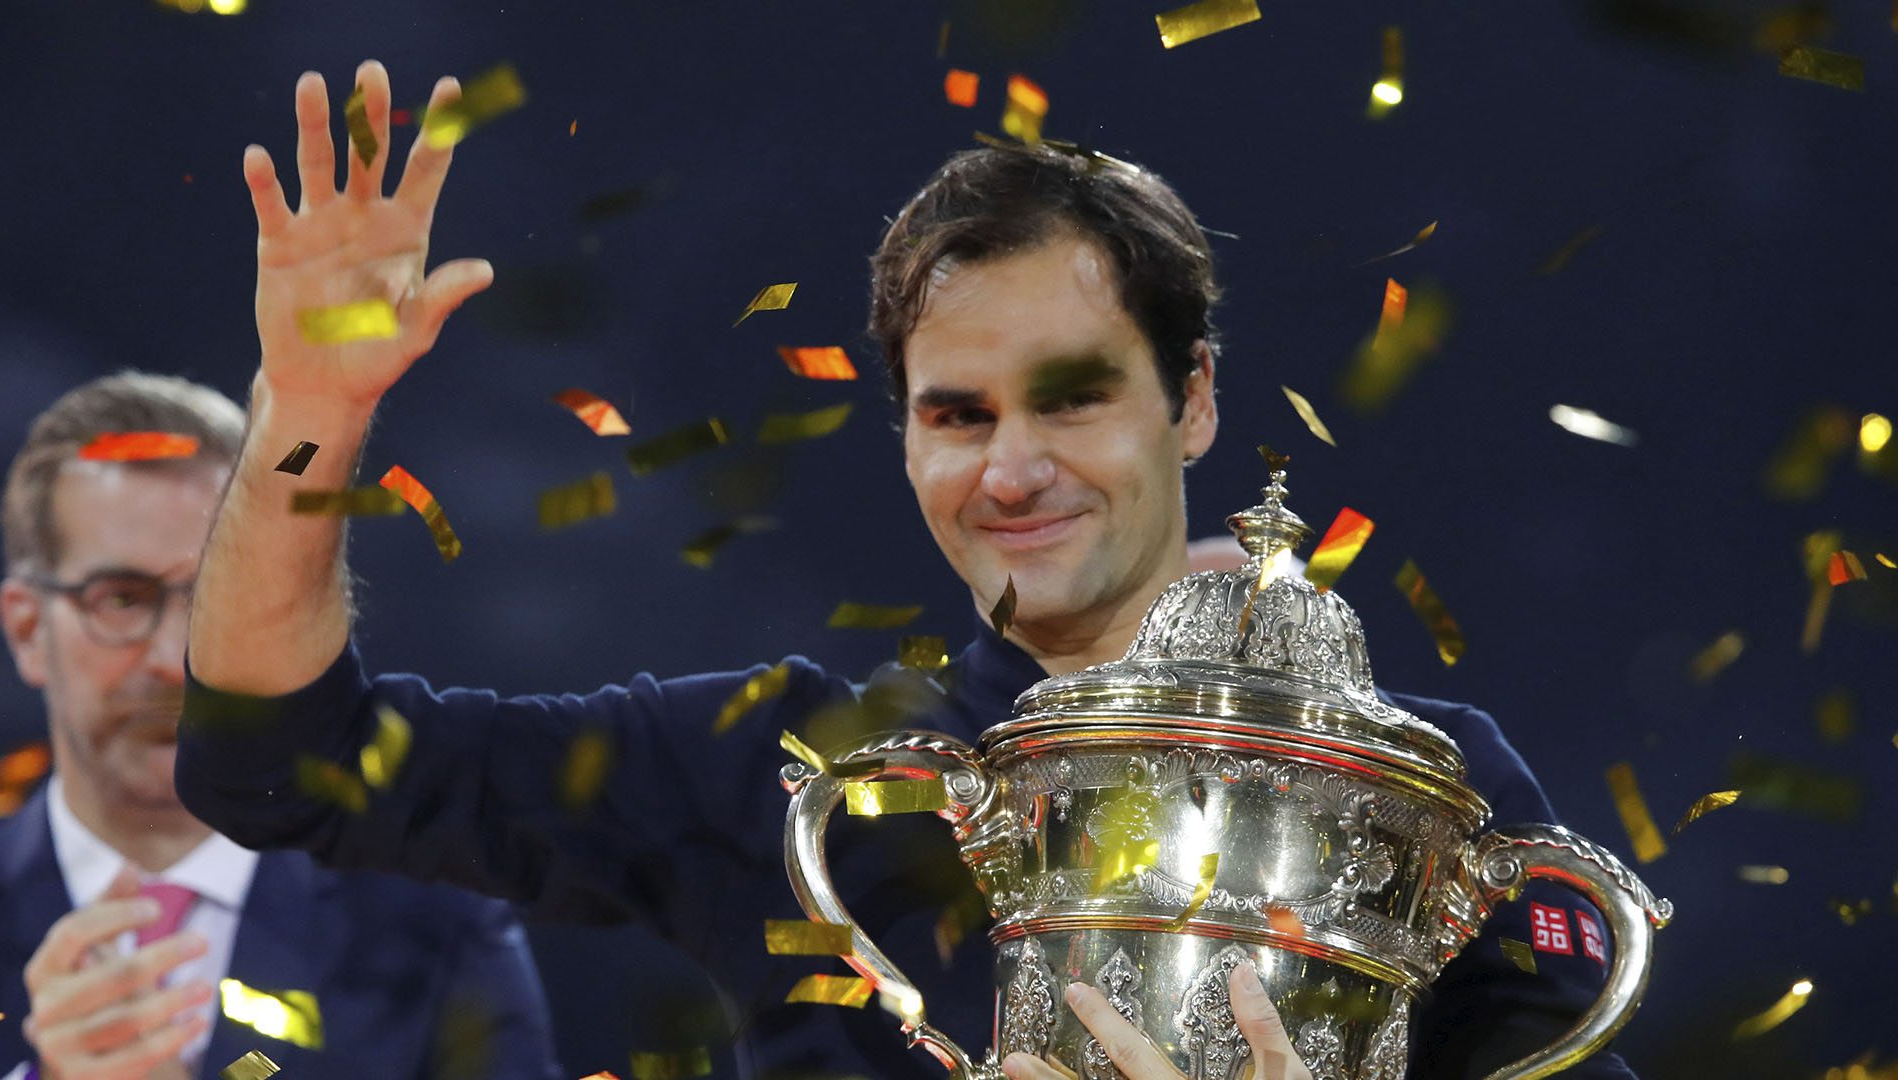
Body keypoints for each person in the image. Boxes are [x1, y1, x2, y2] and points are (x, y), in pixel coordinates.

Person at [174, 61, 1638, 1080]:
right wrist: (313, 414)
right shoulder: (788, 765)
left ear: (1191, 399)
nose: (1011, 469)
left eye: (1070, 399)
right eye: (958, 415)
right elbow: (278, 763)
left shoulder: (1423, 785)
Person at [0, 372, 561, 1080]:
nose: (172, 661)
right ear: (27, 628)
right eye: (121, 599)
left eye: (212, 597)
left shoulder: (434, 918)